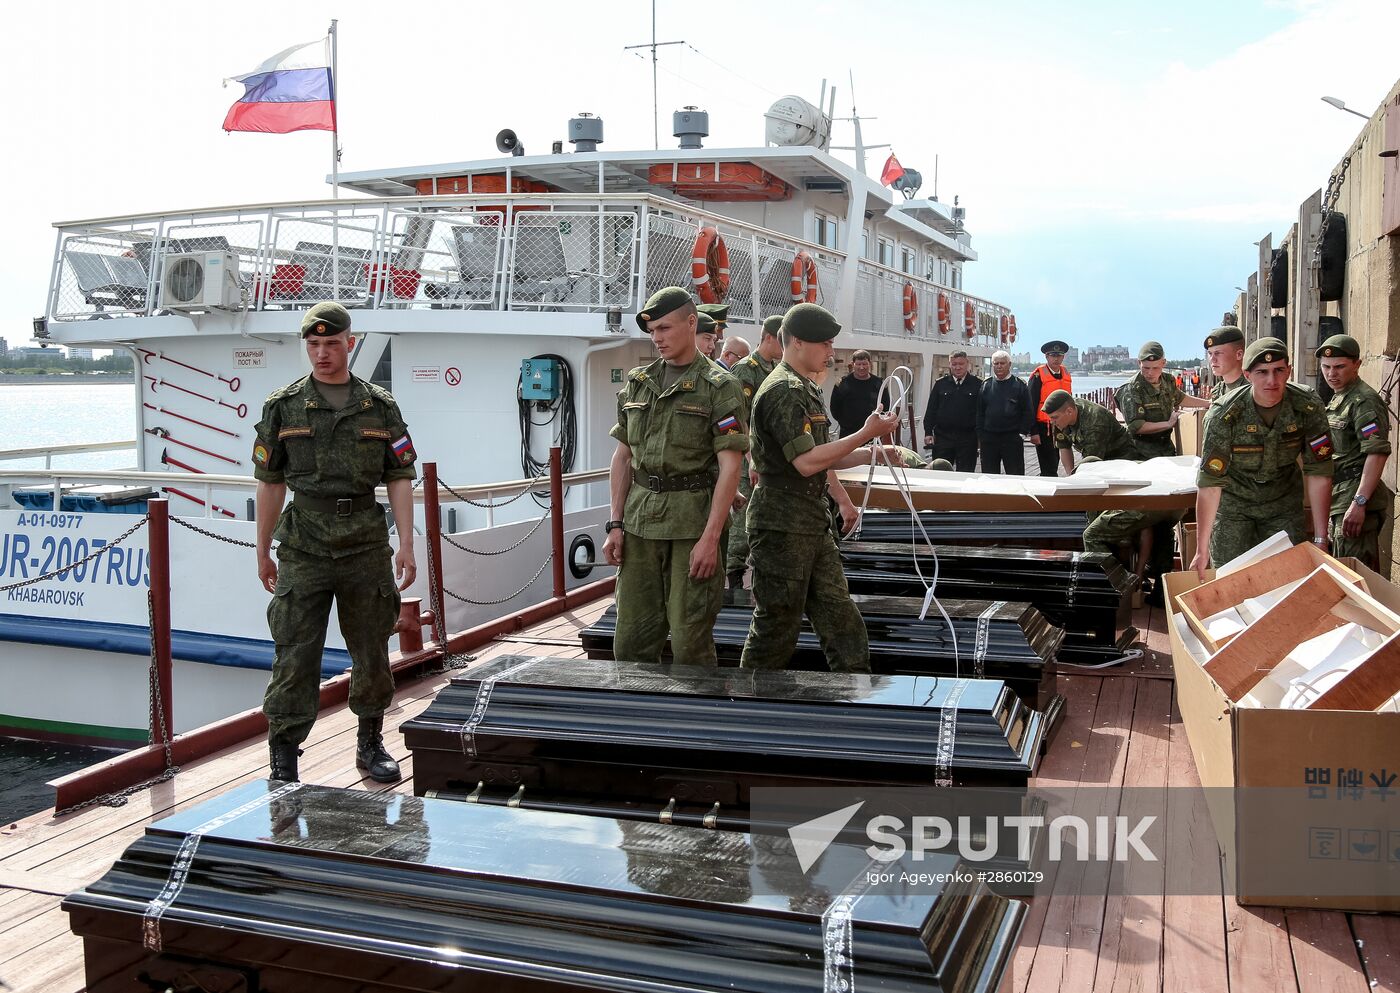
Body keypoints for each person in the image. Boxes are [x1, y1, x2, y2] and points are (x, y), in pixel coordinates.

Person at [252, 301, 418, 784]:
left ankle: (370, 744)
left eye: (330, 343)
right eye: (313, 344)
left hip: (365, 544)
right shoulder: (283, 406)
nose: (321, 353)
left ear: (350, 342)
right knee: (295, 651)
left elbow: (400, 477)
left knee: (370, 650)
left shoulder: (380, 406)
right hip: (304, 545)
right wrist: (261, 550)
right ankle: (283, 757)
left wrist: (406, 543)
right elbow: (269, 482)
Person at [741, 303, 901, 673]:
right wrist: (865, 433)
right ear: (797, 343)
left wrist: (871, 452)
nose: (831, 352)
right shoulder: (783, 391)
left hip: (811, 522)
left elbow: (822, 455)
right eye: (825, 344)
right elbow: (807, 461)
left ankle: (854, 699)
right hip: (781, 526)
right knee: (776, 626)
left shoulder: (804, 389)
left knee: (841, 619)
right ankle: (749, 709)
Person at [603, 287, 747, 665]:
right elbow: (622, 457)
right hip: (639, 526)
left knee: (690, 641)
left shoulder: (720, 385)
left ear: (691, 323)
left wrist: (711, 539)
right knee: (631, 640)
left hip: (692, 528)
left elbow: (731, 466)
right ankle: (633, 718)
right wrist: (615, 524)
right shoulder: (638, 382)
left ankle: (697, 719)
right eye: (652, 332)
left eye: (665, 328)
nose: (658, 339)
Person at [1192, 338, 1334, 577]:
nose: (1272, 380)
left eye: (1279, 370)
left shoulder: (1306, 405)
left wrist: (1320, 537)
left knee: (1288, 578)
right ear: (1247, 375)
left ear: (1289, 371)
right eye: (1262, 372)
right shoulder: (1224, 415)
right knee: (1229, 578)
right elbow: (1210, 484)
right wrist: (1201, 549)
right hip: (1235, 506)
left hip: (1283, 504)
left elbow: (1319, 471)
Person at [1042, 390, 1172, 594]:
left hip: (1122, 468)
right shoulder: (1061, 415)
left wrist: (1079, 481)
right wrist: (1070, 478)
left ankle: (1124, 578)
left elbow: (1093, 466)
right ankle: (1125, 571)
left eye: (1055, 418)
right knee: (1098, 524)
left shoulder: (1094, 420)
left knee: (1112, 527)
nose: (1053, 422)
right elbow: (1064, 448)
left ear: (1069, 411)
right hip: (1099, 469)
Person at [1317, 333, 1391, 569]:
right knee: (1343, 572)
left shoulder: (1363, 401)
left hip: (1356, 500)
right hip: (1340, 498)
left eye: (1339, 367)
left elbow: (1377, 452)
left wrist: (1359, 503)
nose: (1331, 374)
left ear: (1357, 365)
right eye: (1326, 367)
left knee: (1358, 576)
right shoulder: (1340, 399)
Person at [725, 316, 784, 589]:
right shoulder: (745, 371)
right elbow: (737, 419)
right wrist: (752, 459)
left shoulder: (776, 369)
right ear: (769, 337)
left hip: (772, 461)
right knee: (742, 520)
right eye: (782, 341)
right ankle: (733, 574)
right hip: (750, 462)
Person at [1114, 341, 1211, 459]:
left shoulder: (1167, 380)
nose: (1150, 373)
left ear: (1163, 363)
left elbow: (1179, 398)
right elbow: (1136, 426)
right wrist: (1168, 424)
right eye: (1146, 368)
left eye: (1155, 368)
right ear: (1139, 363)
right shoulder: (1130, 389)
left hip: (1166, 450)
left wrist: (1208, 403)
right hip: (1139, 454)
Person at [922, 350, 981, 471]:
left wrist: (980, 436)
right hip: (943, 437)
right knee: (940, 473)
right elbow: (931, 410)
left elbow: (982, 413)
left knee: (966, 474)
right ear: (950, 364)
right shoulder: (940, 384)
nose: (957, 367)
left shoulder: (977, 384)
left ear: (967, 364)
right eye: (954, 364)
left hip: (968, 438)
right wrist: (928, 432)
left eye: (961, 364)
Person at [977, 350, 1033, 474]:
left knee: (1015, 475)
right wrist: (981, 434)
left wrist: (1022, 433)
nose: (999, 366)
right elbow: (980, 412)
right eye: (996, 363)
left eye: (1002, 363)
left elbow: (1027, 411)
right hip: (989, 438)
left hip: (1012, 438)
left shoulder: (1019, 385)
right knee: (989, 476)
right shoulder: (986, 385)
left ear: (1009, 364)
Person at [1027, 340, 1072, 476]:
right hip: (1044, 427)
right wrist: (1033, 431)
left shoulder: (1066, 373)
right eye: (1053, 355)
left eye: (1059, 355)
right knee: (1048, 465)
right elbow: (1031, 405)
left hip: (1063, 426)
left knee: (1059, 460)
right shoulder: (1038, 375)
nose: (1056, 359)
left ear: (1063, 357)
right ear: (1046, 357)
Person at [829, 349, 885, 439]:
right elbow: (835, 409)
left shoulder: (879, 384)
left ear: (870, 364)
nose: (861, 367)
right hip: (848, 434)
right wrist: (846, 424)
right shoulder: (843, 384)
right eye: (858, 364)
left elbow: (885, 406)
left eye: (864, 364)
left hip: (872, 435)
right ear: (853, 364)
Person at [1204, 325, 1247, 401]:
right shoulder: (1217, 391)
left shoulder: (1253, 390)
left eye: (1217, 353)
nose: (1212, 359)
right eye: (1210, 353)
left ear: (1239, 355)